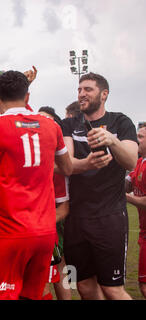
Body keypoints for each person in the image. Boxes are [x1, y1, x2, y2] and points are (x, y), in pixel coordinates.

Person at [0, 69, 72, 300]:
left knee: (1, 296)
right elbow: (67, 168)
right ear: (27, 96)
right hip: (45, 232)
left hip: (10, 231)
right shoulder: (51, 126)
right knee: (32, 295)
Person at [61, 72, 138, 300]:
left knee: (113, 289)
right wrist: (85, 164)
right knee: (84, 286)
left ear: (104, 94)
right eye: (79, 89)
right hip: (76, 220)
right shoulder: (68, 124)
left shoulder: (120, 121)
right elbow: (66, 165)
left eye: (88, 89)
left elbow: (131, 161)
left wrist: (111, 140)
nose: (82, 94)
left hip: (109, 218)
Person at [38, 106, 72, 300]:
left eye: (47, 120)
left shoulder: (55, 164)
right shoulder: (34, 156)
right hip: (36, 227)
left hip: (51, 227)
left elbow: (65, 207)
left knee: (58, 275)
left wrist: (42, 223)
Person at [125, 126, 146, 298]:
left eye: (140, 136)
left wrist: (122, 196)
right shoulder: (139, 162)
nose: (136, 139)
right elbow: (127, 183)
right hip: (143, 231)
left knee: (144, 285)